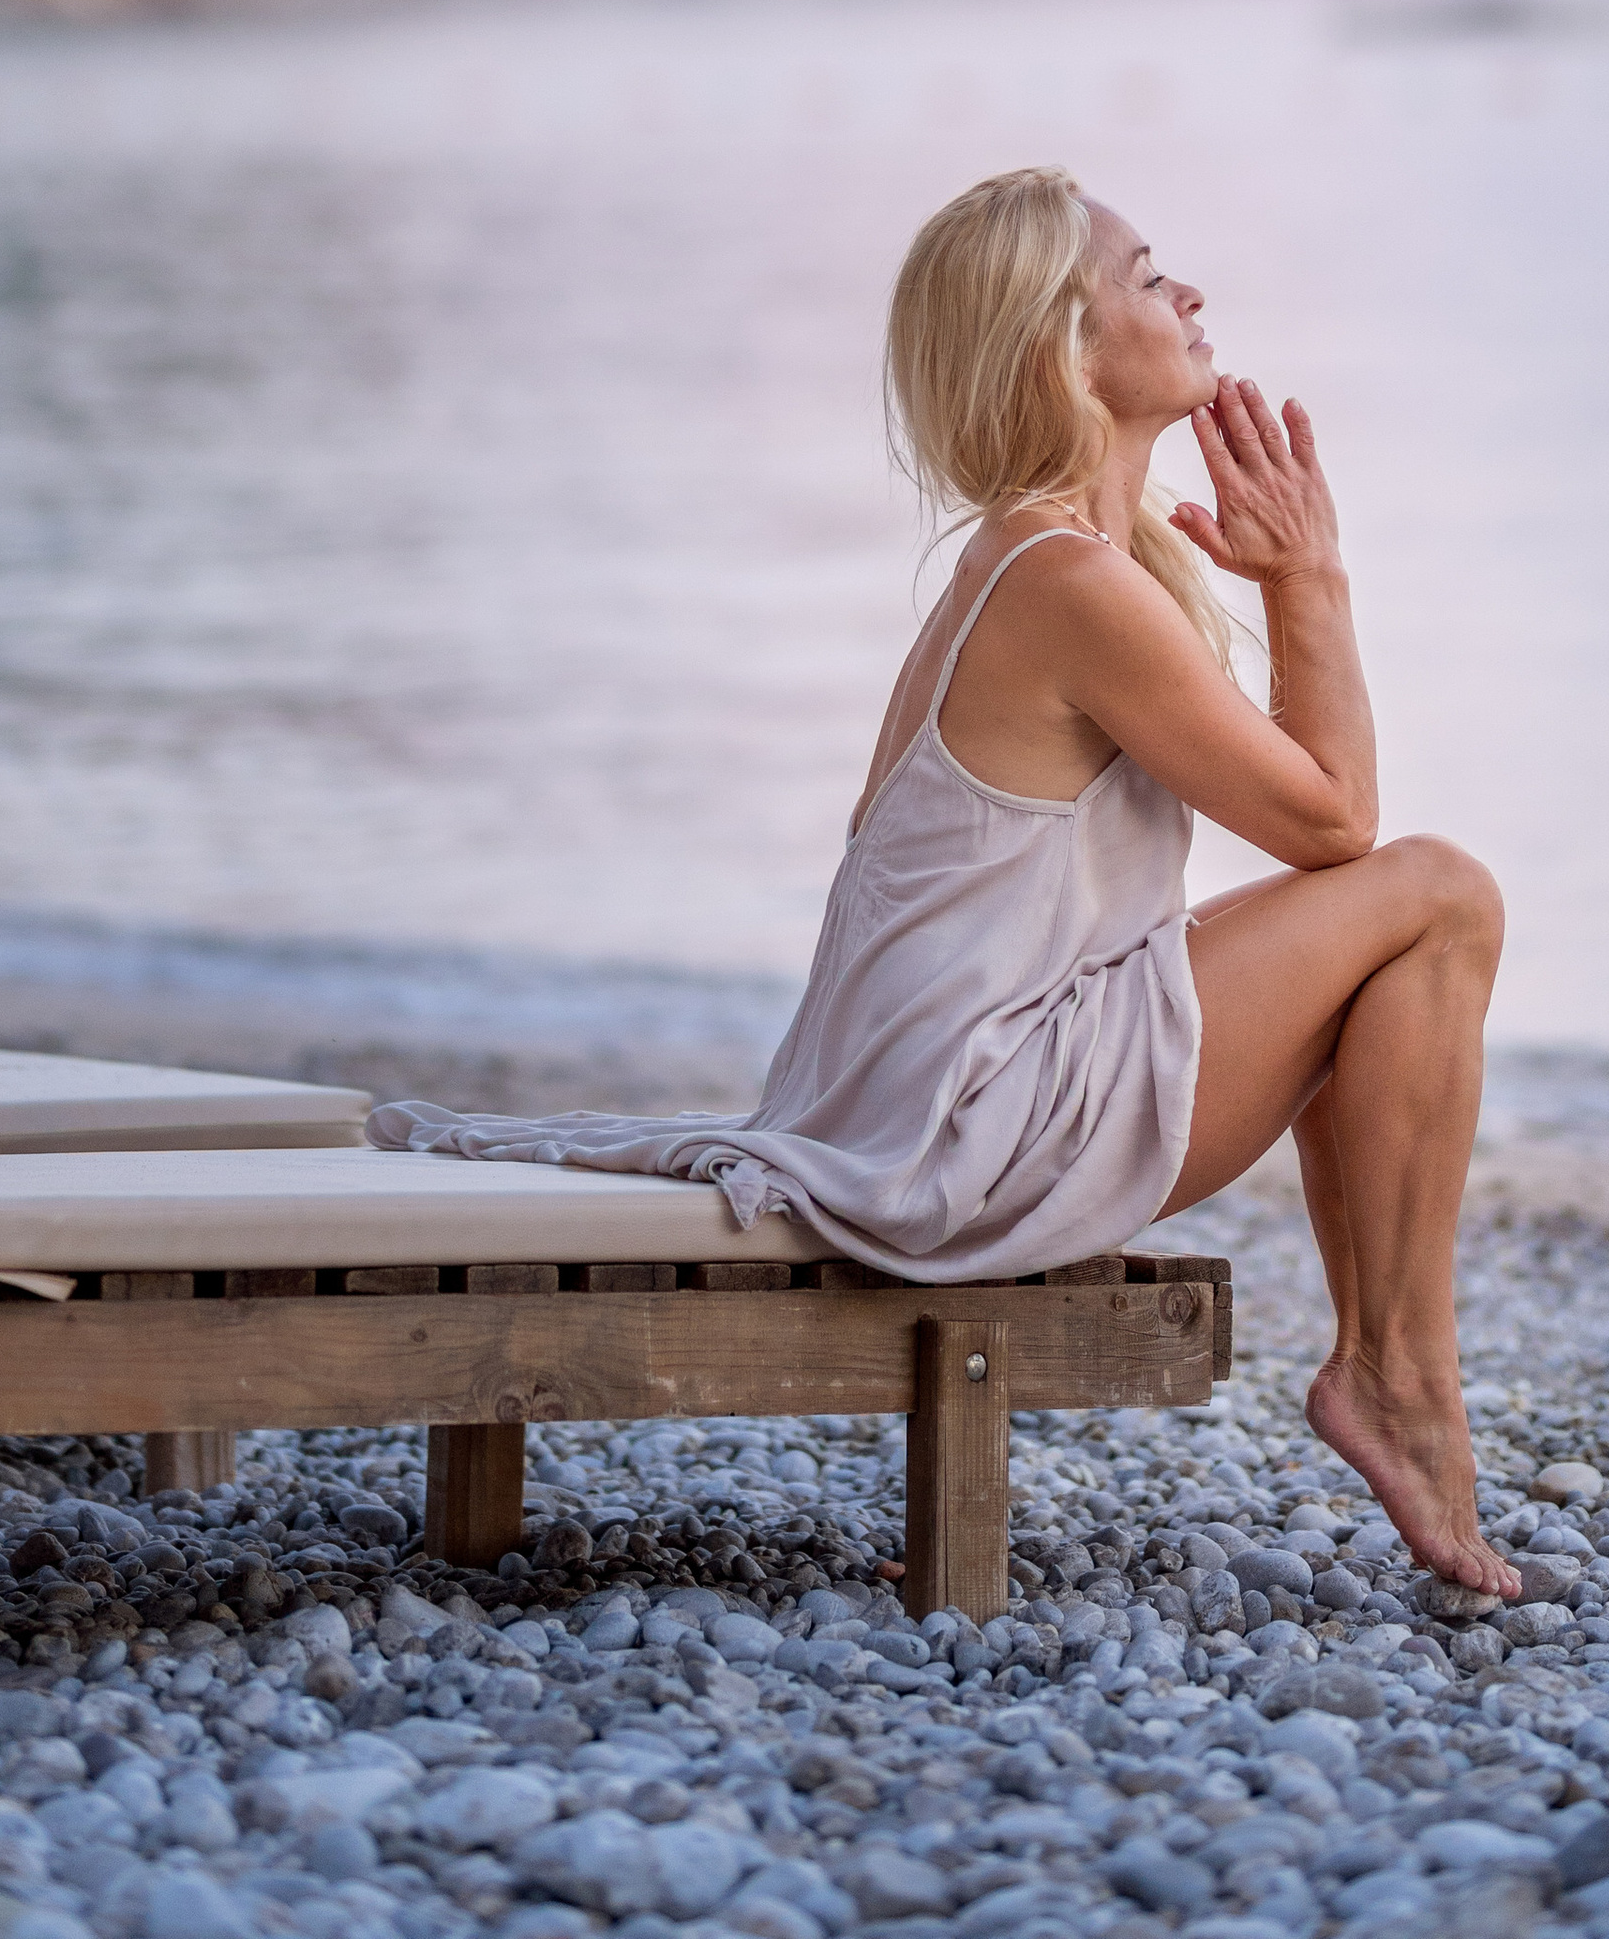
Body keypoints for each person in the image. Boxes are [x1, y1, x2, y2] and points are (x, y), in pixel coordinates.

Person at [371, 163, 1515, 1592]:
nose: (1195, 294)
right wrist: (1311, 583)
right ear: (1069, 347)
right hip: (977, 1130)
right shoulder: (1065, 584)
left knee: (1400, 934)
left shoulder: (1047, 563)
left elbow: (1307, 849)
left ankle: (1390, 1371)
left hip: (943, 1102)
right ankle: (1399, 1379)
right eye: (1153, 277)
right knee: (1440, 894)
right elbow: (1338, 825)